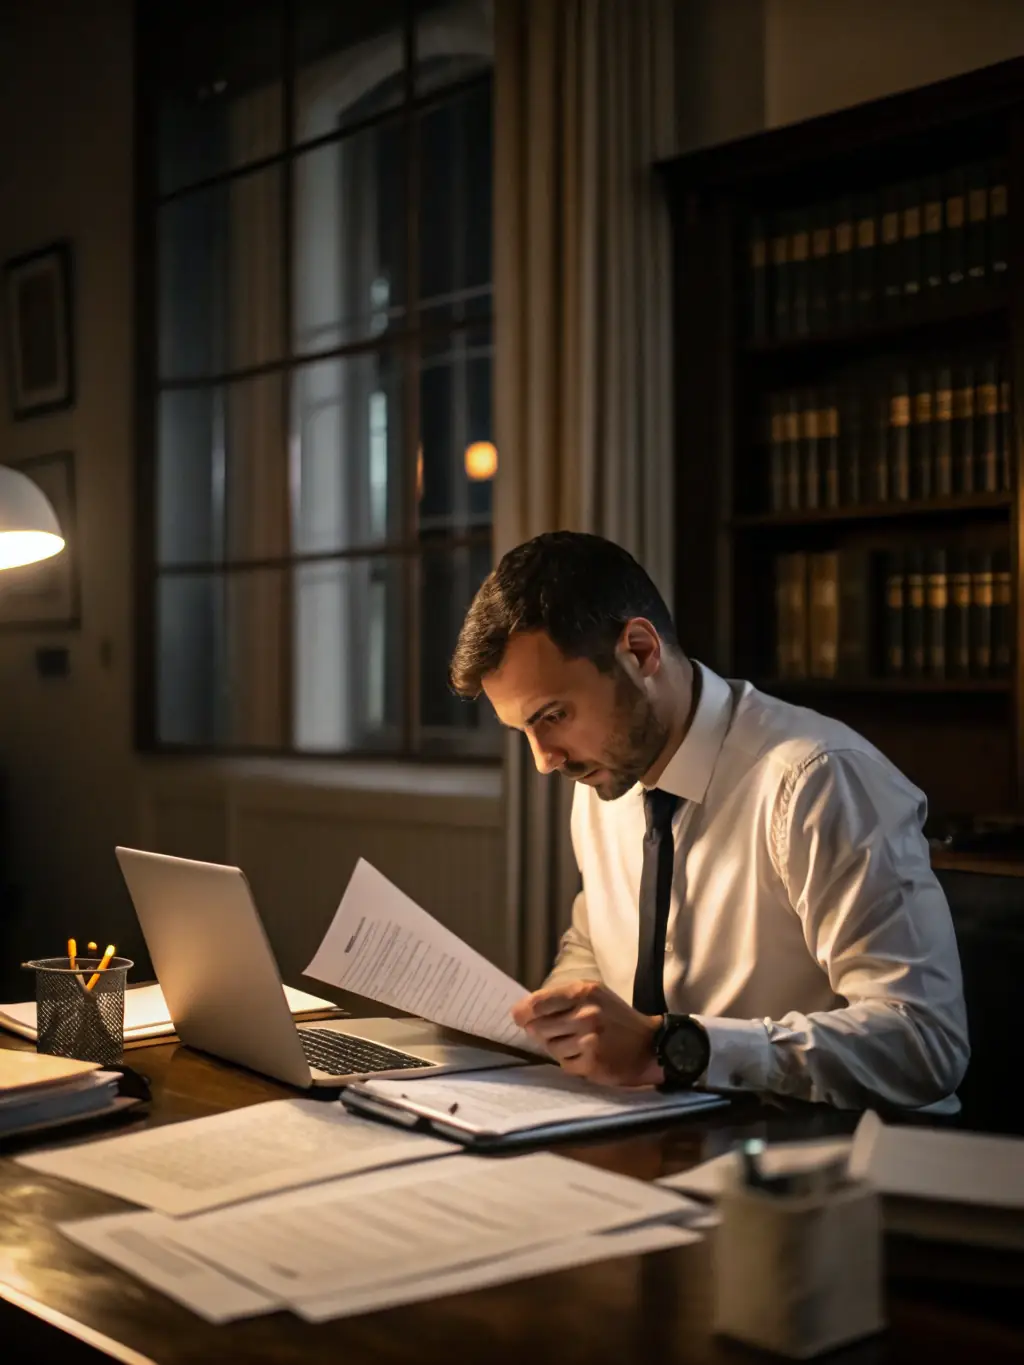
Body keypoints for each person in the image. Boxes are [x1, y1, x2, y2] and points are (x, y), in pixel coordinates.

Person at [449, 531, 969, 1110]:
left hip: (828, 1157)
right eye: (525, 730)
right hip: (663, 1135)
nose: (545, 760)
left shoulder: (818, 783)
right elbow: (594, 942)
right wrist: (557, 1019)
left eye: (554, 716)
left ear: (640, 651)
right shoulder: (604, 776)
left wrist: (675, 1048)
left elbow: (925, 1041)